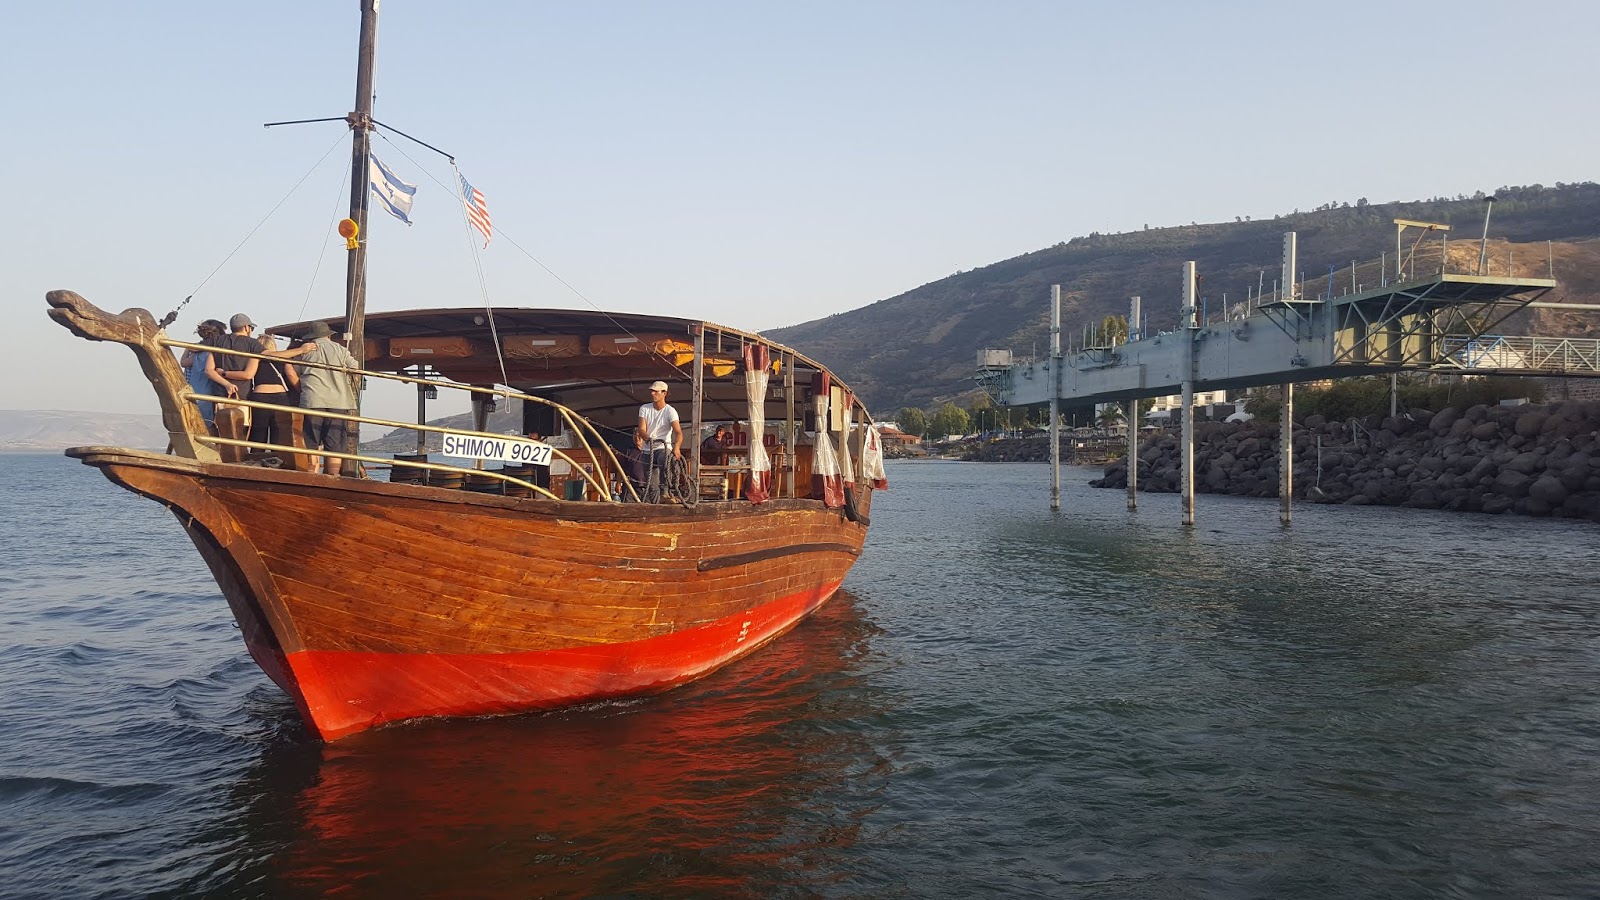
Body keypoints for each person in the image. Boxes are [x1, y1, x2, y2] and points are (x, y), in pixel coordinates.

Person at [269, 321, 359, 475]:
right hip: (339, 401)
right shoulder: (340, 349)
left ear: (311, 337)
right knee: (335, 444)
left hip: (312, 399)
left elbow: (293, 372)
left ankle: (311, 475)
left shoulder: (306, 350)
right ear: (329, 336)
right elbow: (355, 367)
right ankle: (333, 476)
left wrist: (301, 389)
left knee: (311, 442)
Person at [180, 319, 233, 431]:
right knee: (210, 423)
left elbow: (184, 362)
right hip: (209, 391)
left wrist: (188, 348)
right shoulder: (216, 352)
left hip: (196, 389)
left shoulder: (198, 352)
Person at [635, 380, 683, 500]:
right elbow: (641, 429)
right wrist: (647, 438)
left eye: (656, 392)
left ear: (664, 393)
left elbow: (678, 432)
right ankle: (656, 504)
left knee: (665, 459)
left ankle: (665, 492)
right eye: (652, 391)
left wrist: (677, 447)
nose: (653, 394)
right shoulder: (644, 408)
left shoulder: (670, 411)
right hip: (648, 449)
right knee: (652, 485)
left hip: (663, 447)